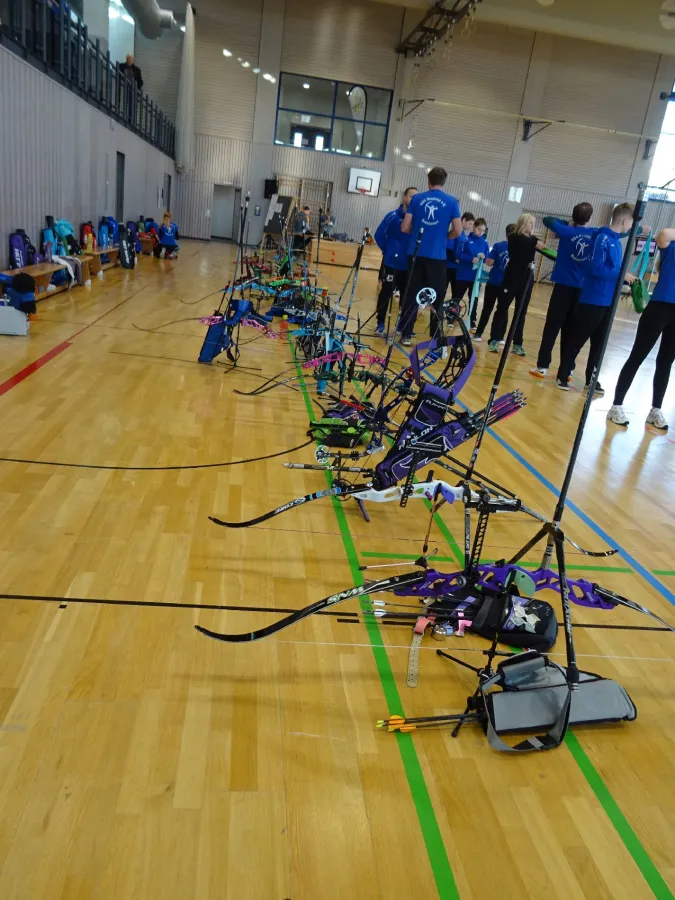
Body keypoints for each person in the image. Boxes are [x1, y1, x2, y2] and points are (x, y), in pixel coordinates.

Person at [556, 203, 636, 394]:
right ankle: (563, 374)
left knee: (599, 343)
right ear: (624, 220)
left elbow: (613, 270)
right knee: (578, 339)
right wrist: (620, 275)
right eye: (631, 222)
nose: (631, 226)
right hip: (593, 299)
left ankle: (591, 379)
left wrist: (624, 278)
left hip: (608, 300)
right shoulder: (602, 238)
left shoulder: (616, 242)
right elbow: (595, 268)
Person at [607, 227, 675, 431]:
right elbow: (663, 235)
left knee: (666, 363)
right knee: (637, 357)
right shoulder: (671, 246)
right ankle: (616, 406)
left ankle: (655, 409)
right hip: (659, 309)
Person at [530, 203, 595, 378]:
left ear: (573, 217)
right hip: (581, 290)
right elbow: (621, 232)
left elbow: (547, 220)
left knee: (552, 326)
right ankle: (567, 369)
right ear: (590, 218)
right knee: (571, 329)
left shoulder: (567, 231)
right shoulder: (595, 233)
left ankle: (542, 366)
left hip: (563, 288)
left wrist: (568, 224)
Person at [399, 166, 462, 345]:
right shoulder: (452, 202)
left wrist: (416, 233)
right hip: (437, 255)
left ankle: (406, 334)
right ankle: (435, 335)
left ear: (428, 180)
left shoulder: (417, 198)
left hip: (416, 253)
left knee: (412, 294)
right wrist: (444, 237)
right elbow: (458, 231)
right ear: (444, 182)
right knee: (437, 295)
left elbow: (404, 227)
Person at [488, 213, 544, 356]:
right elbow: (527, 243)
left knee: (521, 312)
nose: (533, 226)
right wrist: (535, 241)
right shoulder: (514, 237)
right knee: (502, 308)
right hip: (512, 278)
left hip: (527, 279)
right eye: (530, 223)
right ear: (524, 223)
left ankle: (517, 343)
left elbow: (543, 247)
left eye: (534, 223)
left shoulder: (533, 240)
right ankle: (494, 339)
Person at [373, 186, 418, 334]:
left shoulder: (417, 220)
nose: (413, 200)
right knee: (386, 293)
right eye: (411, 196)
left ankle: (403, 325)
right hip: (392, 263)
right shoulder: (392, 216)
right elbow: (379, 235)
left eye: (416, 197)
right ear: (404, 198)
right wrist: (389, 251)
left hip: (409, 266)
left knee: (406, 297)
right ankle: (380, 323)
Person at [473, 224, 515, 341]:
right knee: (503, 310)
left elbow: (489, 262)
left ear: (506, 234)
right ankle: (500, 337)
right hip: (507, 285)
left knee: (487, 308)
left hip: (494, 282)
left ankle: (478, 334)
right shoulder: (518, 249)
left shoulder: (498, 246)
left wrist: (489, 258)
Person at [454, 217, 489, 329]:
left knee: (474, 298)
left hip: (476, 277)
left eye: (483, 230)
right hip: (463, 275)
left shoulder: (485, 243)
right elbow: (458, 254)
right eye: (479, 229)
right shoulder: (465, 240)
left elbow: (487, 258)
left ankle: (472, 320)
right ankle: (451, 316)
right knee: (457, 297)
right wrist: (470, 259)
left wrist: (484, 257)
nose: (480, 232)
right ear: (474, 227)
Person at [446, 213, 475, 297]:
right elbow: (448, 249)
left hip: (458, 270)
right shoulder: (455, 232)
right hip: (449, 267)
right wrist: (456, 260)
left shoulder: (464, 235)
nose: (470, 226)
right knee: (442, 291)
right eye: (469, 223)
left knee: (456, 295)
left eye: (471, 225)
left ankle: (453, 306)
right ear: (464, 220)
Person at [118, 53, 143, 122]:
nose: (130, 60)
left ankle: (130, 121)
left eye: (131, 59)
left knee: (131, 107)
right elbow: (118, 75)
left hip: (133, 90)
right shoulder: (121, 66)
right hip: (123, 88)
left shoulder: (137, 70)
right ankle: (122, 118)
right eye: (129, 59)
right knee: (123, 104)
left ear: (133, 60)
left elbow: (140, 81)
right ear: (126, 59)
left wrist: (137, 88)